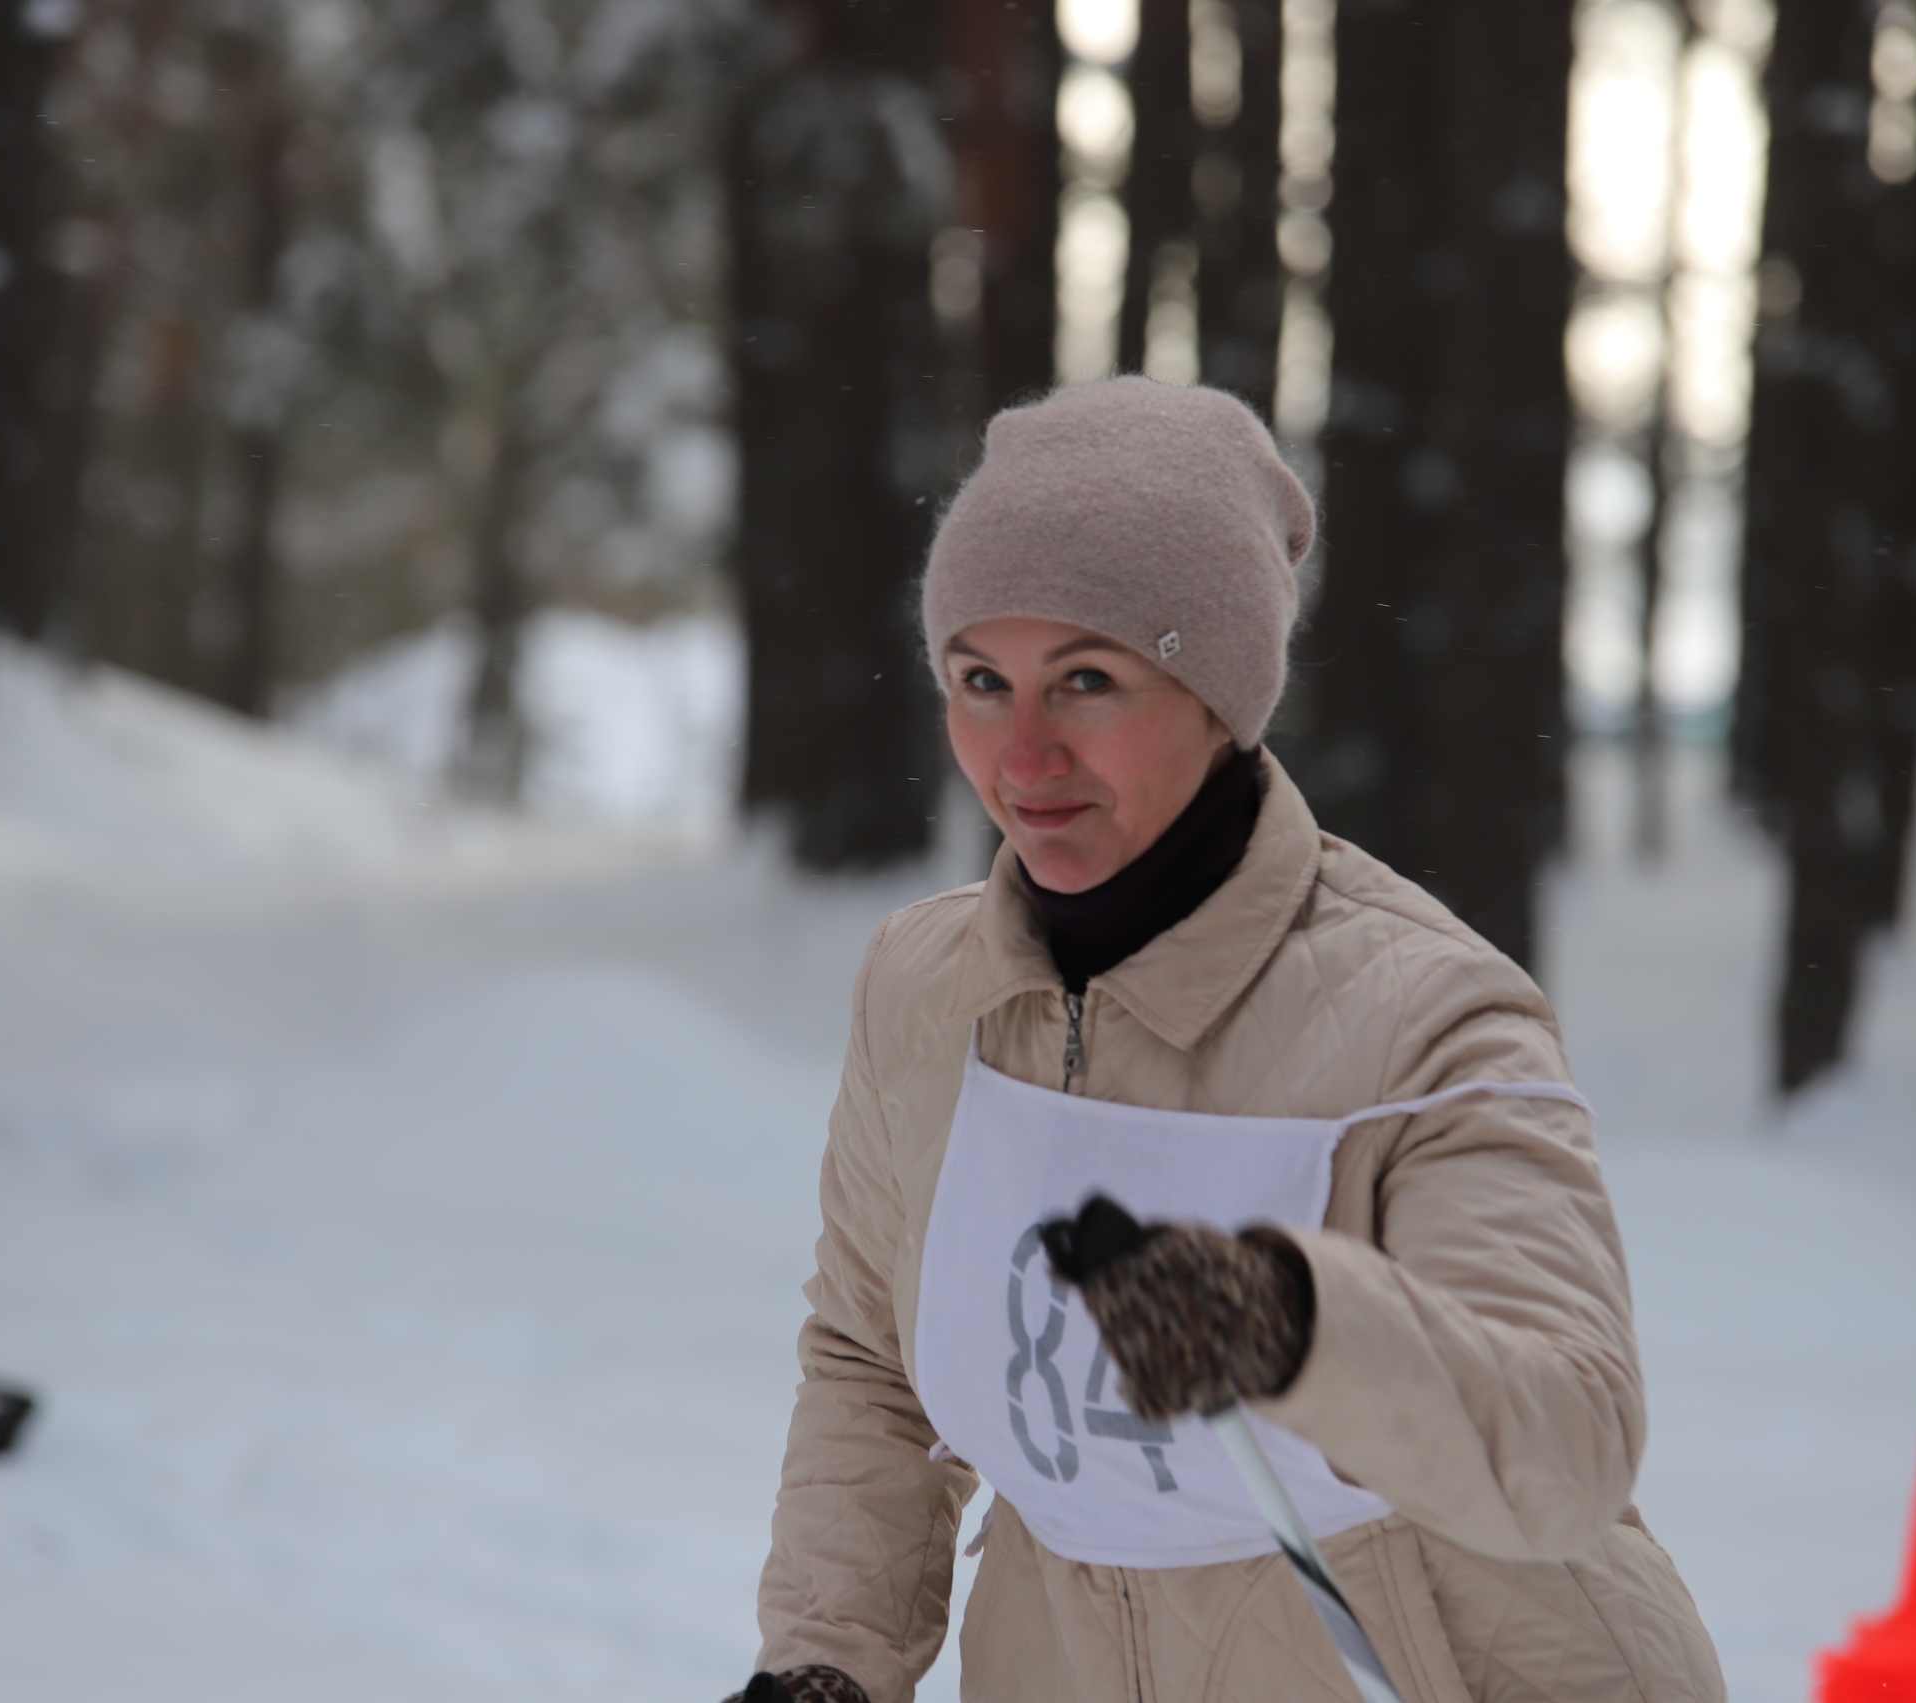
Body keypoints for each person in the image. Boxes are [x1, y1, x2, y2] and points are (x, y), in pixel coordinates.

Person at [727, 379, 1724, 1703]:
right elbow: (871, 1368)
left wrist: (1289, 1325)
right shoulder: (928, 991)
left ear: (1222, 695)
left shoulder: (1424, 1018)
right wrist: (828, 1665)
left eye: (1089, 680)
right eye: (980, 681)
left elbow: (1565, 1444)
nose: (1023, 755)